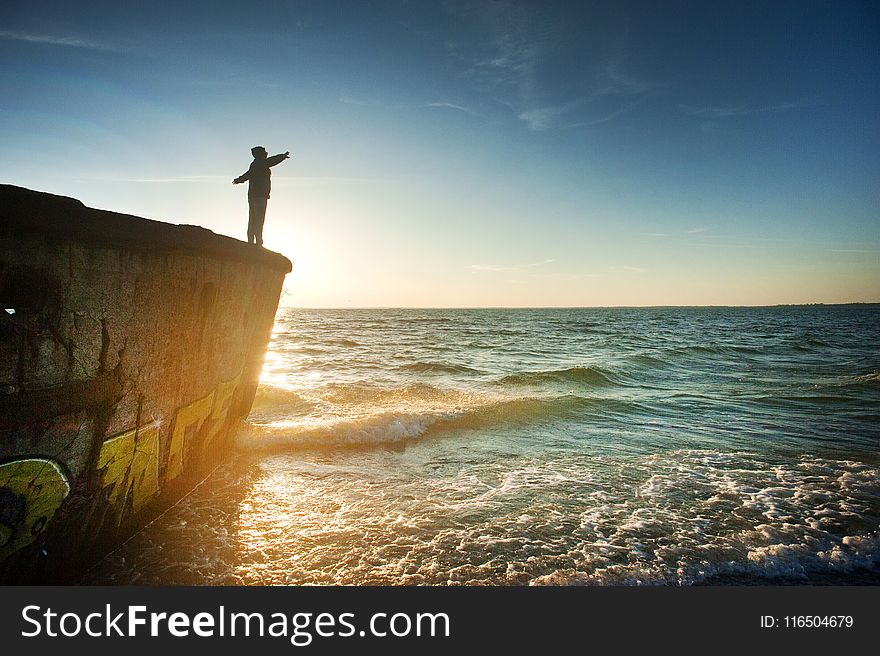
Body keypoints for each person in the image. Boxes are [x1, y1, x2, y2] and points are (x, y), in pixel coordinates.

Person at [232, 146, 290, 246]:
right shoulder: (261, 163)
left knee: (253, 219)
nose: (266, 153)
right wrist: (283, 156)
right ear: (260, 154)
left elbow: (248, 175)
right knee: (259, 219)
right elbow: (272, 160)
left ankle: (251, 241)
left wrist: (239, 179)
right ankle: (258, 242)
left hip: (253, 195)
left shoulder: (255, 164)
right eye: (264, 152)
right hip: (260, 196)